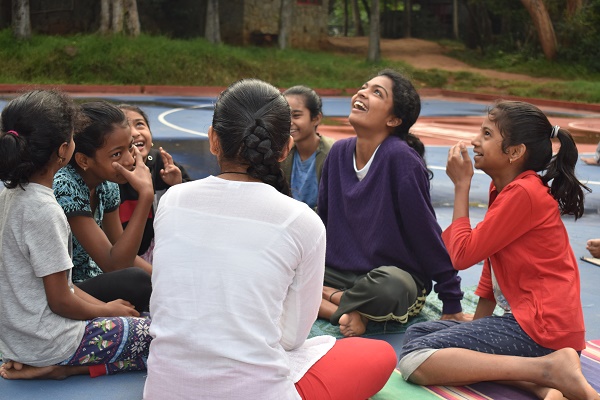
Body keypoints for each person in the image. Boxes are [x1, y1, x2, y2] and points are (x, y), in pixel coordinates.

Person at [143, 78, 397, 400]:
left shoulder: (172, 200)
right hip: (257, 390)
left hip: (166, 390)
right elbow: (291, 339)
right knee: (379, 355)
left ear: (213, 140)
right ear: (285, 149)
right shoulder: (302, 221)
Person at [398, 100, 599, 400]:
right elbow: (491, 268)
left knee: (414, 358)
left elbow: (461, 255)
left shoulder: (523, 193)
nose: (475, 141)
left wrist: (461, 187)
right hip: (534, 327)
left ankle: (549, 369)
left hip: (542, 331)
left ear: (515, 152)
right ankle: (545, 382)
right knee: (419, 334)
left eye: (487, 134)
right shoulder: (508, 189)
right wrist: (477, 330)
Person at [0, 90, 151, 380]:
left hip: (20, 338)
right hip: (50, 341)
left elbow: (62, 287)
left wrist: (106, 308)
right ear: (65, 151)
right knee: (161, 337)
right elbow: (61, 300)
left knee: (140, 316)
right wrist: (105, 312)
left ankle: (57, 365)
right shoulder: (47, 208)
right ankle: (62, 369)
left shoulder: (11, 196)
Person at [317, 69, 470, 338]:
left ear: (394, 119)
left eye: (377, 92)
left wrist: (451, 300)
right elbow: (323, 219)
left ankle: (329, 299)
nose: (362, 92)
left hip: (391, 277)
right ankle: (346, 311)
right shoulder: (339, 152)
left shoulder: (401, 159)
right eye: (364, 86)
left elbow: (426, 233)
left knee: (390, 287)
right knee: (278, 267)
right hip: (338, 272)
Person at [53, 101, 153, 312]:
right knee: (138, 282)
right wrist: (145, 196)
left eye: (129, 148)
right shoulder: (65, 186)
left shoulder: (106, 185)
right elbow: (114, 264)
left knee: (154, 280)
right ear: (83, 160)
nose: (128, 160)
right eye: (116, 154)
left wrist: (163, 276)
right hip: (67, 289)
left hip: (93, 278)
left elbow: (121, 252)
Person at [117, 104, 191, 264]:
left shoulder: (162, 163)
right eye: (126, 126)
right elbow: (113, 249)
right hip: (127, 258)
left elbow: (194, 213)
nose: (135, 133)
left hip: (159, 249)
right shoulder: (111, 175)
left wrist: (177, 185)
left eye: (140, 124)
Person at [281, 85, 335, 210]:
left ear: (316, 119)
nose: (289, 122)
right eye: (285, 115)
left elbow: (333, 204)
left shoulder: (332, 153)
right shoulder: (282, 152)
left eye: (296, 115)